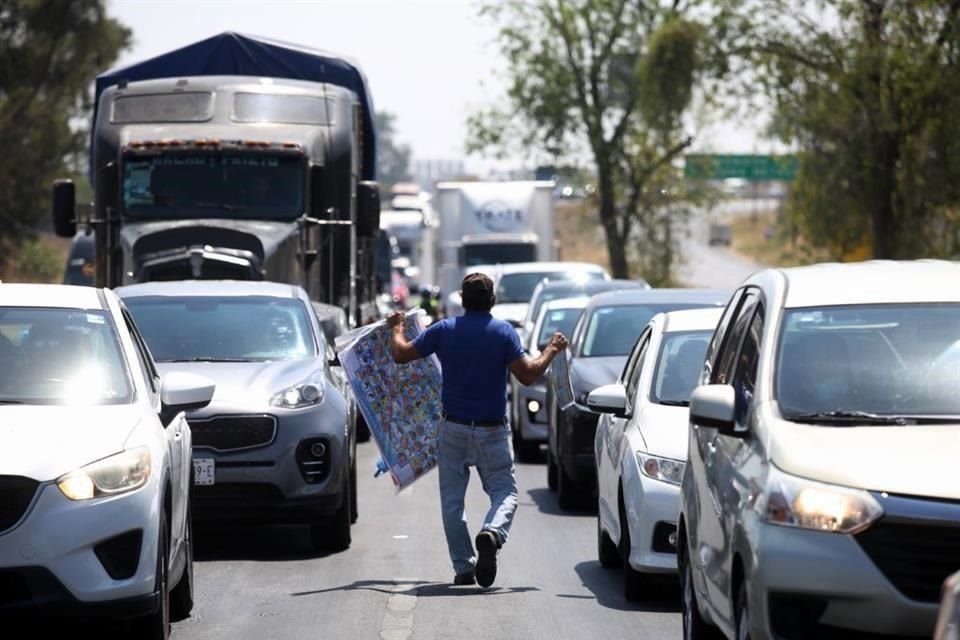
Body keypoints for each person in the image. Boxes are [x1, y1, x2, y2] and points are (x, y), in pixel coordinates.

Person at [386, 272, 568, 588]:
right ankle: (492, 532)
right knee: (505, 492)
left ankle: (463, 567)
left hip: (453, 429)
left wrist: (397, 328)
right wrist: (552, 348)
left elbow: (401, 353)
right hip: (492, 432)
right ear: (492, 301)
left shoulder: (444, 330)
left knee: (452, 503)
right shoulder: (504, 333)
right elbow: (527, 375)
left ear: (462, 300)